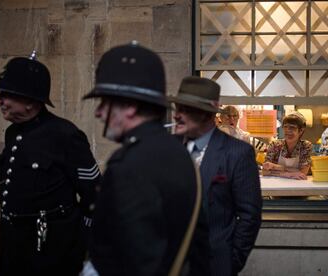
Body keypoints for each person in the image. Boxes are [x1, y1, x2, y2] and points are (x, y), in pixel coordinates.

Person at [82, 42, 208, 276]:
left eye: (104, 102)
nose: (99, 112)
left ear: (129, 106)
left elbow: (135, 261)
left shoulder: (131, 164)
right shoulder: (176, 151)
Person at [0, 53, 100, 276]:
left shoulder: (65, 135)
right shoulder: (14, 131)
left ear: (31, 101)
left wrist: (81, 242)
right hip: (14, 246)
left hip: (52, 251)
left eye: (7, 95)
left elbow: (94, 194)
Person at [169, 76, 262, 276]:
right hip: (169, 263)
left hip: (213, 263)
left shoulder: (237, 152)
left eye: (186, 109)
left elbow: (249, 216)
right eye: (178, 108)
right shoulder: (169, 147)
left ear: (206, 114)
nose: (177, 115)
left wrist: (231, 261)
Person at [262, 112, 312, 180]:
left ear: (300, 131)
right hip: (276, 185)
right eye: (285, 127)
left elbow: (303, 172)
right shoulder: (275, 145)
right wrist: (287, 174)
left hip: (298, 184)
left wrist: (274, 167)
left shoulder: (305, 146)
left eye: (292, 127)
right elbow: (265, 171)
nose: (288, 130)